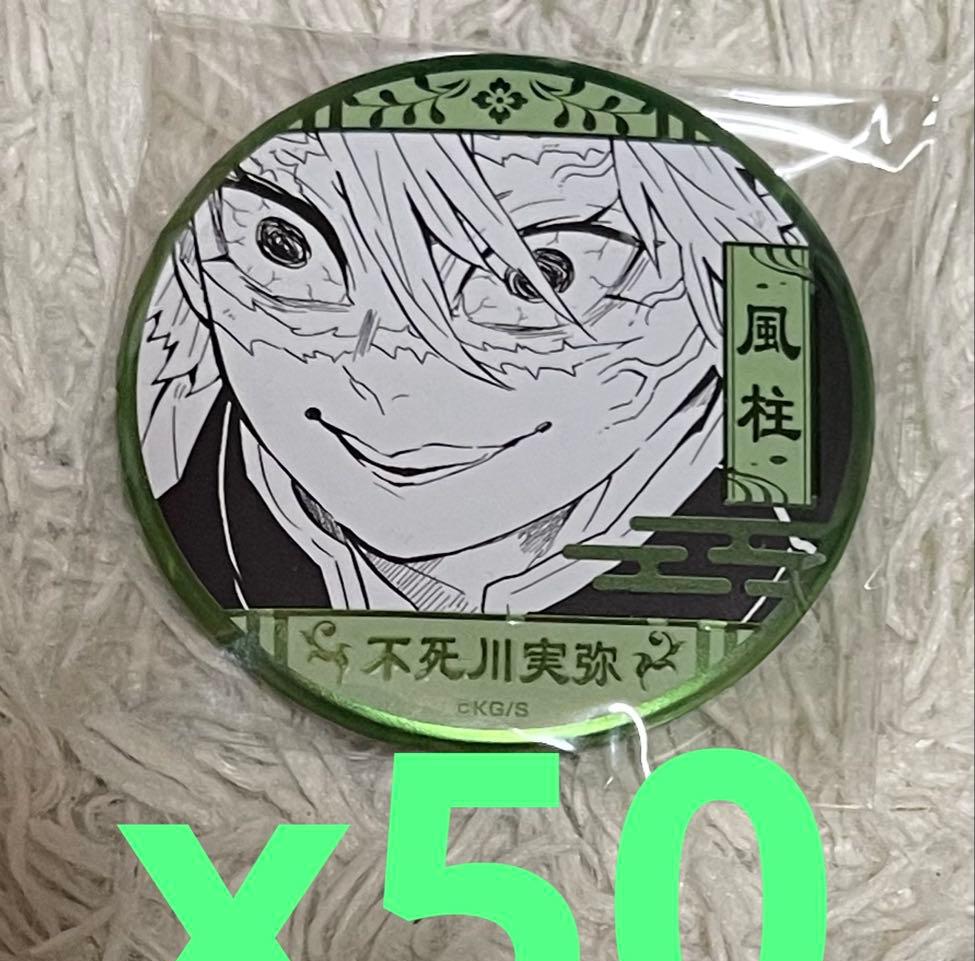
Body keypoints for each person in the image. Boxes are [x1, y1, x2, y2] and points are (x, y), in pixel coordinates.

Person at [137, 129, 801, 615]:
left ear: (724, 284)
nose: (388, 391)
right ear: (198, 272)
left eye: (540, 278)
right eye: (284, 246)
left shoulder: (774, 526)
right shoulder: (186, 530)